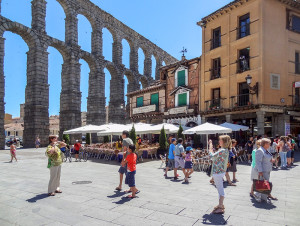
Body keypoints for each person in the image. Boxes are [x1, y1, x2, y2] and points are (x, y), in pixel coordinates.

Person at [208, 135, 231, 214]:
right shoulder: (225, 150)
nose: (219, 141)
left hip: (218, 172)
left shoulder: (222, 150)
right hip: (220, 172)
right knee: (220, 189)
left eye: (220, 140)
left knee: (220, 189)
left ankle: (221, 207)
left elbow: (212, 156)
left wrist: (210, 146)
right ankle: (220, 204)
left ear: (224, 142)